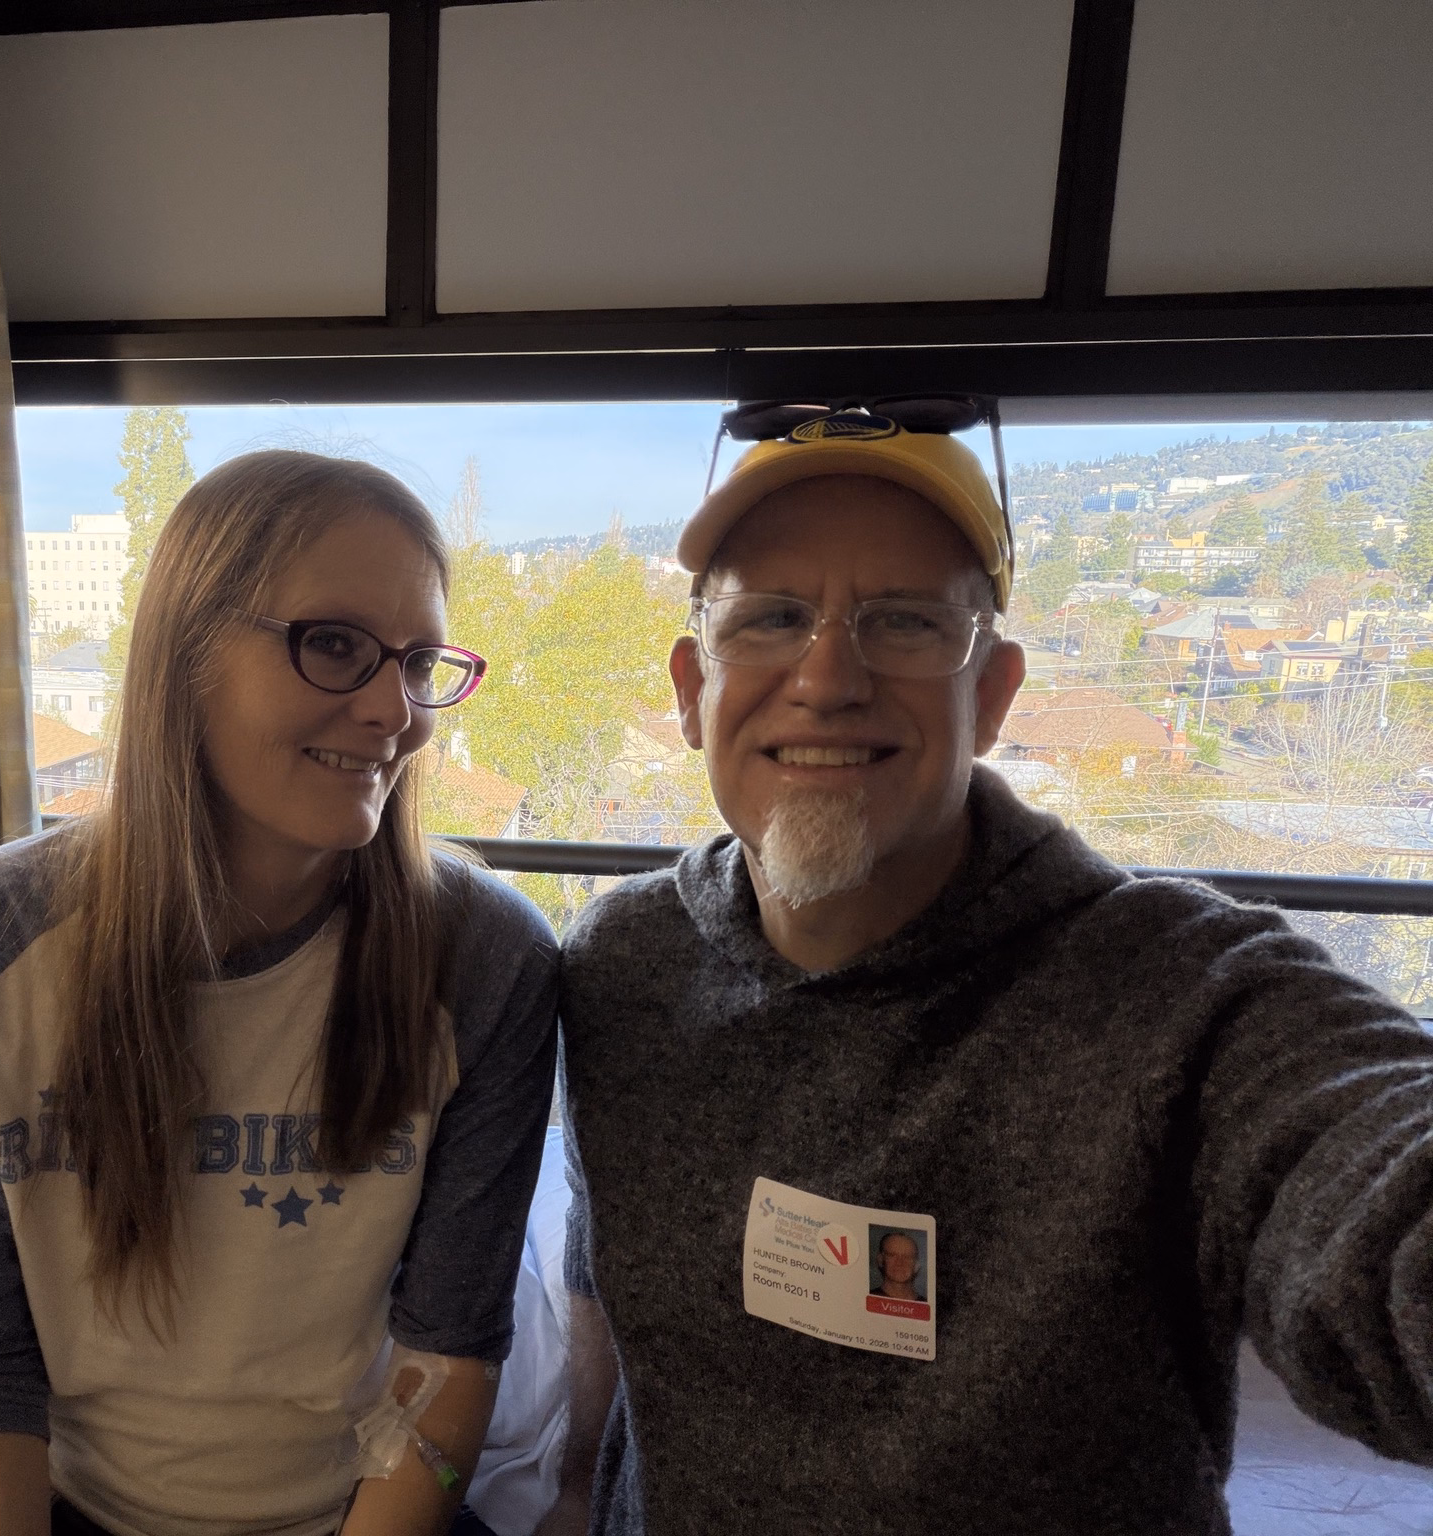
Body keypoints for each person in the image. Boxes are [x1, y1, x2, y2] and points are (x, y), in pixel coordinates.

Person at [544, 411, 1433, 1535]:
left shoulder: (1182, 998)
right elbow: (595, 1260)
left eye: (904, 623)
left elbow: (1367, 1176)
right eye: (767, 618)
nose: (825, 677)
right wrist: (574, 1490)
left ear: (995, 697)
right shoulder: (625, 961)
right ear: (687, 688)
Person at [0, 451, 559, 1536]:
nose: (396, 710)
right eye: (334, 645)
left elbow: (446, 1358)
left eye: (419, 660)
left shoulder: (486, 965)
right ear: (183, 653)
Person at [869, 1231, 920, 1302]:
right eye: (892, 1255)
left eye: (907, 1257)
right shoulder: (867, 1299)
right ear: (880, 1260)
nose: (899, 1262)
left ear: (917, 1264)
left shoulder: (928, 1305)